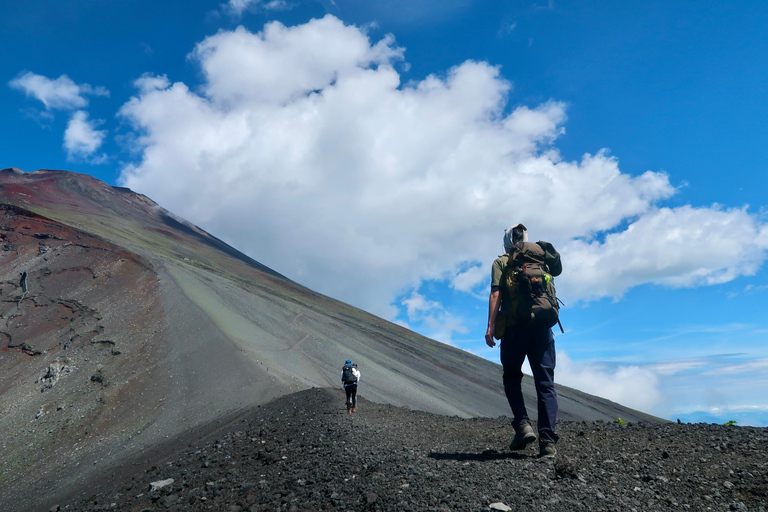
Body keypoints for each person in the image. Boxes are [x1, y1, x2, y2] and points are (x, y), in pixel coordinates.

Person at [485, 224, 561, 458]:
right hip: (542, 328)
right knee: (545, 383)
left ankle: (522, 425)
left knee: (511, 377)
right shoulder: (540, 258)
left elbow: (497, 293)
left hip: (514, 329)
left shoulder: (501, 262)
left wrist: (490, 326)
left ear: (506, 242)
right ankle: (547, 441)